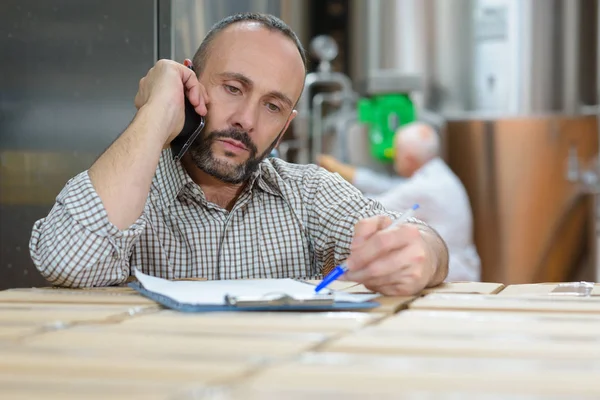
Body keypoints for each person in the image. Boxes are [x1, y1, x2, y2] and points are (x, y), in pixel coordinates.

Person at [29, 13, 449, 295]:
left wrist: (421, 254)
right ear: (189, 83)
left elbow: (420, 240)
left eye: (272, 106)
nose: (247, 120)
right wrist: (157, 109)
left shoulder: (309, 194)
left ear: (286, 124)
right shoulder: (133, 191)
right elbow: (67, 262)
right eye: (233, 88)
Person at [318, 122, 481, 282]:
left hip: (447, 274)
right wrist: (346, 171)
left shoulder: (425, 188)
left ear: (408, 159)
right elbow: (390, 186)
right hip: (459, 267)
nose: (393, 156)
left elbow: (370, 207)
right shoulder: (437, 174)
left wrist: (329, 196)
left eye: (396, 152)